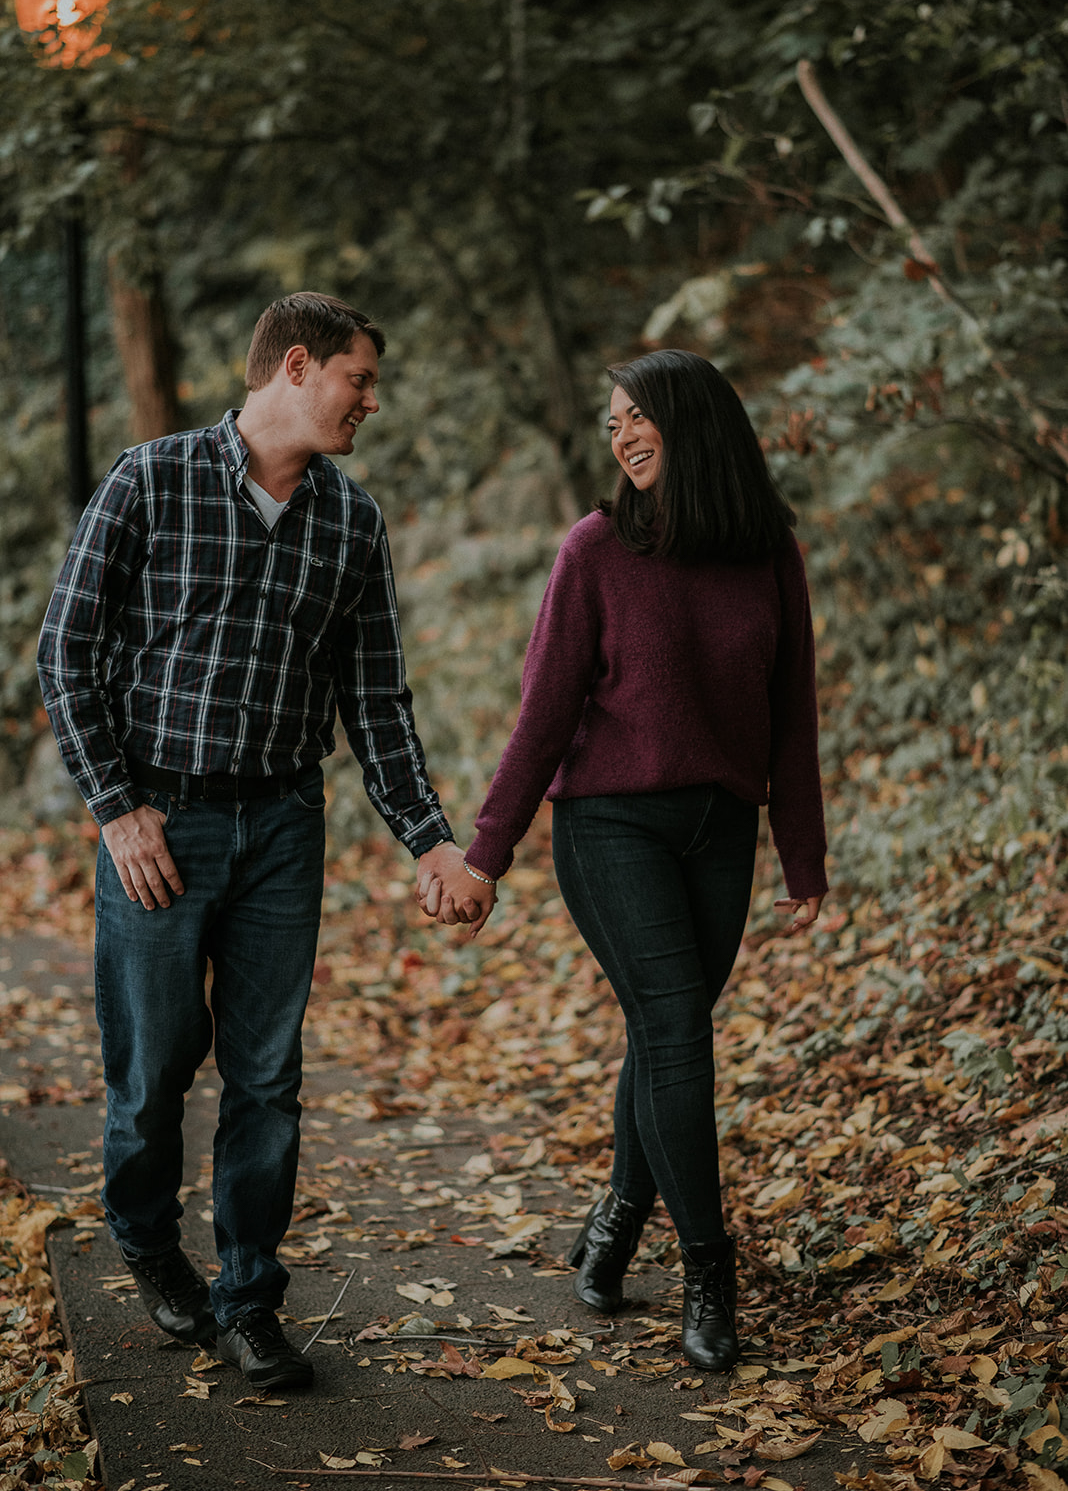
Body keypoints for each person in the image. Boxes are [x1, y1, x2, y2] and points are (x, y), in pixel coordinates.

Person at [37, 292, 475, 1391]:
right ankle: (144, 1236)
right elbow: (66, 650)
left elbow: (377, 703)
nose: (371, 401)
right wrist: (117, 806)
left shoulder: (352, 523)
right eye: (359, 380)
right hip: (159, 825)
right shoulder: (151, 479)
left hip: (284, 823)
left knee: (268, 1076)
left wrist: (430, 842)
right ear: (295, 366)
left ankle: (249, 1296)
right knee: (152, 1074)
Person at [419, 349, 826, 1371]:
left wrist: (802, 857)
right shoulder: (594, 549)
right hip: (610, 828)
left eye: (638, 416)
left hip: (720, 828)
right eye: (612, 422)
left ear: (696, 426)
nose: (623, 436)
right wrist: (487, 854)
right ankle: (708, 1269)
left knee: (663, 1033)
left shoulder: (767, 551)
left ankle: (614, 1218)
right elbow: (544, 713)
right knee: (680, 1027)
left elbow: (793, 715)